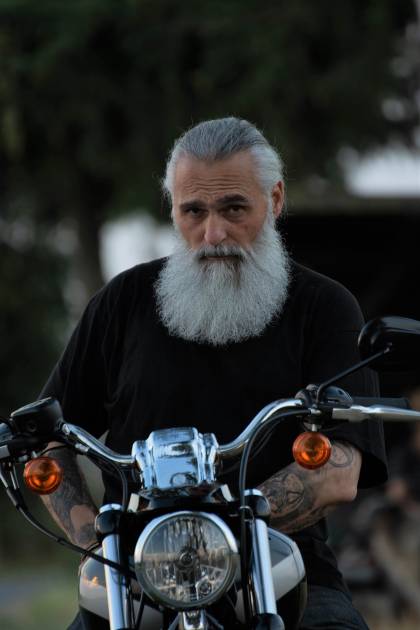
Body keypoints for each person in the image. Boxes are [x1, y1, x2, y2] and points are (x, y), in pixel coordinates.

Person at [40, 117, 387, 629]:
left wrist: (212, 534)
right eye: (194, 211)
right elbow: (50, 437)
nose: (214, 233)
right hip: (137, 577)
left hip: (285, 573)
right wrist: (98, 541)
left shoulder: (325, 307)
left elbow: (340, 468)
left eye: (233, 208)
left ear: (275, 200)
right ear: (173, 209)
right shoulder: (122, 303)